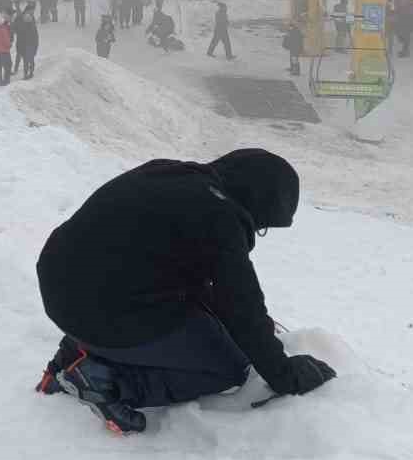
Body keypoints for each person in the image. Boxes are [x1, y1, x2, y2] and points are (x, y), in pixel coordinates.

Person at [34, 149, 336, 435]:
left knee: (192, 311)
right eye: (262, 225)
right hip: (99, 307)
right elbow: (242, 306)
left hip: (62, 284)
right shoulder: (219, 218)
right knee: (228, 367)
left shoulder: (170, 175)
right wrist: (285, 374)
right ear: (256, 202)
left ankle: (71, 355)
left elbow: (176, 268)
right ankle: (105, 382)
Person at [15, 6, 39, 78]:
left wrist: (35, 46)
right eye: (32, 11)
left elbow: (36, 37)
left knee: (29, 59)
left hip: (28, 45)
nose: (32, 12)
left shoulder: (31, 23)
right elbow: (15, 28)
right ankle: (25, 72)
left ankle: (29, 72)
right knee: (25, 58)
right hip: (23, 44)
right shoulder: (20, 18)